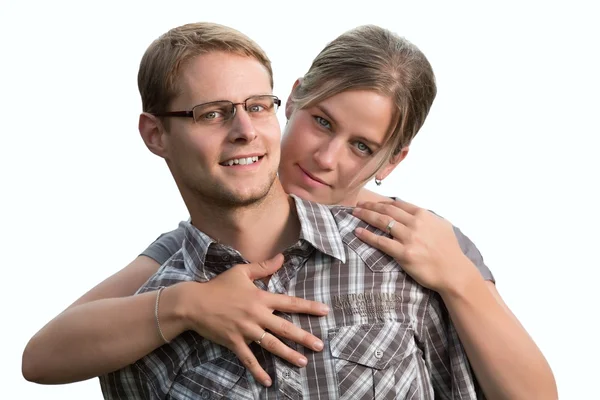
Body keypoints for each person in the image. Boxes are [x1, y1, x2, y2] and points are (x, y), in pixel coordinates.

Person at [22, 22, 557, 399]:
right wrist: (188, 304)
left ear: (391, 163)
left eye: (362, 147)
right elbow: (45, 354)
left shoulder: (417, 247)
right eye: (322, 122)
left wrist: (459, 277)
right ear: (294, 100)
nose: (325, 159)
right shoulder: (187, 254)